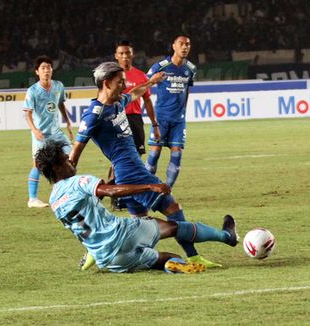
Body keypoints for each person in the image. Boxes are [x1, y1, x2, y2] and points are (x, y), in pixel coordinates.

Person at [69, 62, 229, 268]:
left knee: (142, 222)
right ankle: (195, 255)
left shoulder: (116, 102)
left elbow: (135, 93)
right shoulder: (94, 114)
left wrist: (151, 82)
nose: (124, 85)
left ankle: (95, 251)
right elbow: (76, 149)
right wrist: (67, 179)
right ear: (107, 83)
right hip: (133, 173)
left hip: (127, 173)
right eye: (120, 82)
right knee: (173, 209)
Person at [35, 140, 239, 273]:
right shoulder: (78, 181)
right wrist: (149, 186)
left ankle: (172, 265)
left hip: (108, 259)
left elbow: (95, 202)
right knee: (172, 226)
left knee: (168, 258)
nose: (71, 161)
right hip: (121, 234)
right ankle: (227, 236)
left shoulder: (54, 200)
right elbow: (110, 192)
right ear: (57, 167)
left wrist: (111, 183)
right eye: (65, 160)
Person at [108, 40, 160, 209]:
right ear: (116, 56)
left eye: (127, 53)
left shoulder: (140, 76)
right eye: (121, 53)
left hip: (135, 120)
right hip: (118, 119)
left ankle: (130, 194)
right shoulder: (111, 77)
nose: (125, 56)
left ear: (132, 55)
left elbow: (148, 101)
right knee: (118, 159)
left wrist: (154, 124)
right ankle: (115, 197)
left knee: (135, 158)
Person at [144, 34, 196, 188]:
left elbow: (187, 90)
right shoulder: (160, 66)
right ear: (174, 46)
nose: (185, 47)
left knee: (177, 153)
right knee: (154, 155)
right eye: (181, 44)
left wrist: (183, 111)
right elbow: (146, 84)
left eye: (187, 44)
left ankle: (167, 190)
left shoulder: (191, 69)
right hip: (161, 118)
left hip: (179, 120)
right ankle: (147, 188)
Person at [23, 55, 74, 208]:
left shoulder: (58, 86)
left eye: (49, 68)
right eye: (43, 68)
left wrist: (68, 121)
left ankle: (66, 192)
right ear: (37, 72)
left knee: (69, 157)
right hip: (41, 134)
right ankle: (32, 199)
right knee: (38, 165)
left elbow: (60, 104)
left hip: (56, 132)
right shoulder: (32, 91)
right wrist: (34, 130)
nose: (47, 71)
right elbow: (28, 113)